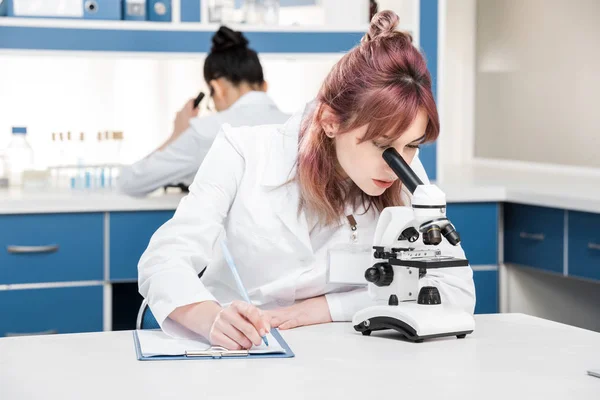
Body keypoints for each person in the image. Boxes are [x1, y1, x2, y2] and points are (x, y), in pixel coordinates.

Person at [138, 11, 475, 349]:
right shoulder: (242, 151)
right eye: (382, 146)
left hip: (343, 352)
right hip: (243, 349)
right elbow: (164, 260)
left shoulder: (403, 167)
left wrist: (323, 309)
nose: (397, 165)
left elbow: (455, 289)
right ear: (330, 121)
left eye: (412, 145)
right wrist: (209, 317)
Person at [117, 26, 289, 196]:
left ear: (217, 87)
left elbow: (130, 183)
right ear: (264, 86)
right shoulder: (301, 125)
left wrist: (177, 134)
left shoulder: (206, 132)